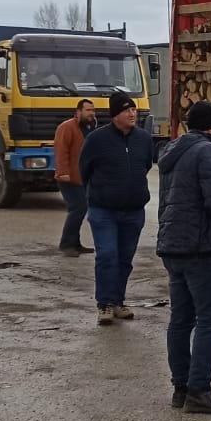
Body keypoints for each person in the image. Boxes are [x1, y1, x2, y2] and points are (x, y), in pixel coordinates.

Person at [156, 101, 211, 414]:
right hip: (200, 247)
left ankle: (181, 388)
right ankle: (199, 390)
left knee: (181, 319)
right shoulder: (207, 151)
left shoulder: (173, 151)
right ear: (209, 126)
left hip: (173, 245)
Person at [78, 91, 153, 326]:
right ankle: (105, 304)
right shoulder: (97, 140)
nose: (133, 114)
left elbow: (146, 164)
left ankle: (119, 301)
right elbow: (84, 170)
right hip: (104, 210)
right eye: (126, 110)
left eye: (134, 109)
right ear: (115, 115)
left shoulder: (143, 138)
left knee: (125, 259)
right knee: (108, 256)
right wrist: (101, 192)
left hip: (133, 211)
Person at [54, 99, 98, 257]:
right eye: (87, 110)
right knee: (78, 208)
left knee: (81, 208)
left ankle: (75, 243)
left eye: (93, 110)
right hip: (68, 177)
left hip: (83, 177)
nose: (91, 113)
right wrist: (63, 172)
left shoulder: (91, 128)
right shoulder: (66, 127)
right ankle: (66, 244)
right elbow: (61, 151)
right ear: (78, 112)